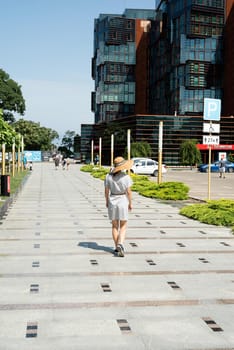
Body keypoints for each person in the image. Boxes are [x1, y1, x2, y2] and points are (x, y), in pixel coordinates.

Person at [104, 156, 133, 257]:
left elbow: (106, 191)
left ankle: (117, 248)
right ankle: (120, 244)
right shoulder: (126, 177)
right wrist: (130, 203)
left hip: (112, 200)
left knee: (114, 226)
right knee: (123, 225)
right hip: (122, 201)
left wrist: (107, 201)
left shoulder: (108, 177)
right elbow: (129, 192)